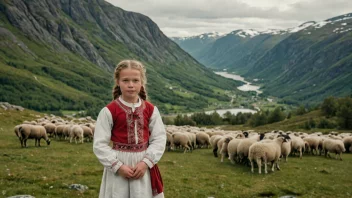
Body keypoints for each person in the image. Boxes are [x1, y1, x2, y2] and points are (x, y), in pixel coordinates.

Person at [93, 60, 166, 198]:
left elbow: (159, 138)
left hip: (143, 166)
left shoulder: (151, 110)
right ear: (118, 82)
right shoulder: (109, 111)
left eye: (135, 80)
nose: (131, 85)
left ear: (141, 83)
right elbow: (99, 144)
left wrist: (146, 163)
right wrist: (118, 166)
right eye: (125, 80)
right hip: (118, 166)